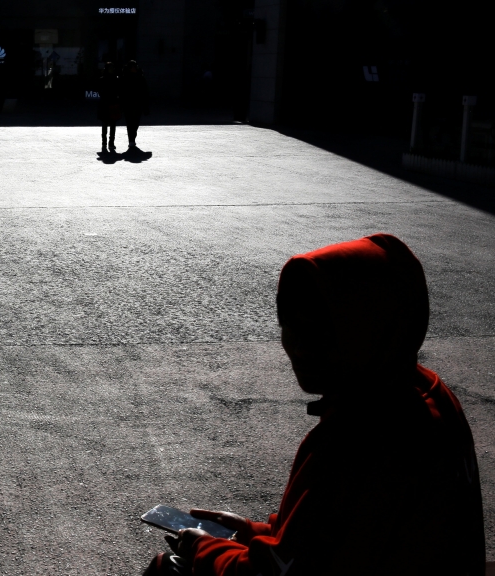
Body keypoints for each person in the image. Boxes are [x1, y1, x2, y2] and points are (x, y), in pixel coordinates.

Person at [144, 233, 485, 576]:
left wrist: (206, 547)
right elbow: (332, 537)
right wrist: (252, 533)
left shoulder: (358, 438)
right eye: (290, 326)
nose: (300, 349)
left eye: (323, 333)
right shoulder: (425, 393)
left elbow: (276, 572)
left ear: (366, 330)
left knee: (170, 570)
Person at [120, 60, 149, 151]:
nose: (134, 68)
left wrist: (145, 103)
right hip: (128, 103)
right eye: (132, 66)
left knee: (136, 122)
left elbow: (145, 91)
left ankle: (133, 138)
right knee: (130, 122)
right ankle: (131, 140)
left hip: (138, 103)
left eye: (135, 66)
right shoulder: (125, 77)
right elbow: (122, 91)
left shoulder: (140, 77)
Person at [96, 62, 120, 153]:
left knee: (110, 124)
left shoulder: (110, 79)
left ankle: (110, 142)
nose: (112, 69)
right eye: (111, 68)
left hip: (108, 103)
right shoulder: (113, 79)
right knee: (106, 124)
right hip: (107, 103)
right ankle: (105, 142)